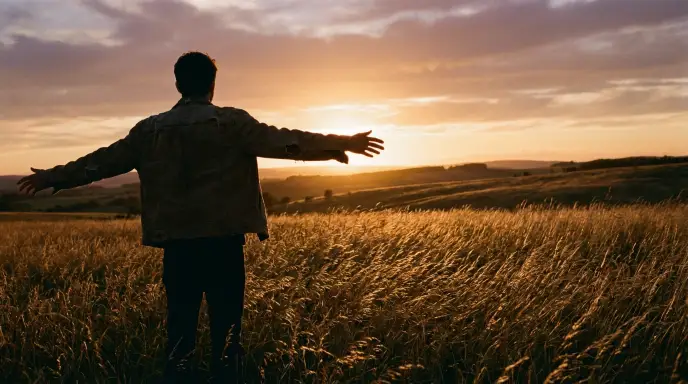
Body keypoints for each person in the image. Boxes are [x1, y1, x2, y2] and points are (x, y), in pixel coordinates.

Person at [17, 51, 385, 383]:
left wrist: (52, 177)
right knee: (227, 335)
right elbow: (286, 141)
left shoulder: (150, 130)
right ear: (212, 84)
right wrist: (342, 143)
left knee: (179, 334)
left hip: (178, 247)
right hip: (224, 245)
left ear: (177, 84)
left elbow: (99, 162)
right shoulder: (230, 123)